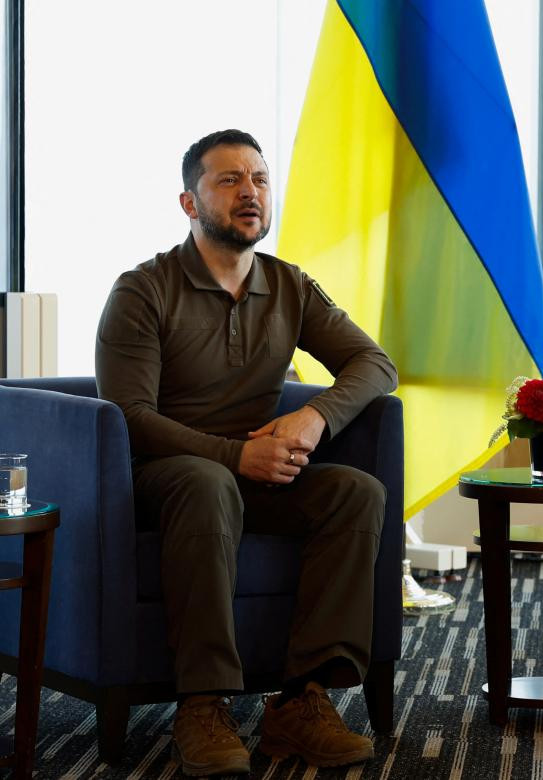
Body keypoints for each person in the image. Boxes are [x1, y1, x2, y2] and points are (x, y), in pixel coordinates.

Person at [96, 129, 398, 777]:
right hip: (165, 478)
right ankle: (202, 704)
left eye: (259, 179)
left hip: (259, 475)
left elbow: (373, 363)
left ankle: (302, 701)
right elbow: (130, 418)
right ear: (189, 202)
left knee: (356, 493)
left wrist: (314, 417)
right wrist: (235, 458)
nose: (250, 192)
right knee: (206, 484)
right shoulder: (142, 292)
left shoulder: (288, 286)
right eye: (229, 180)